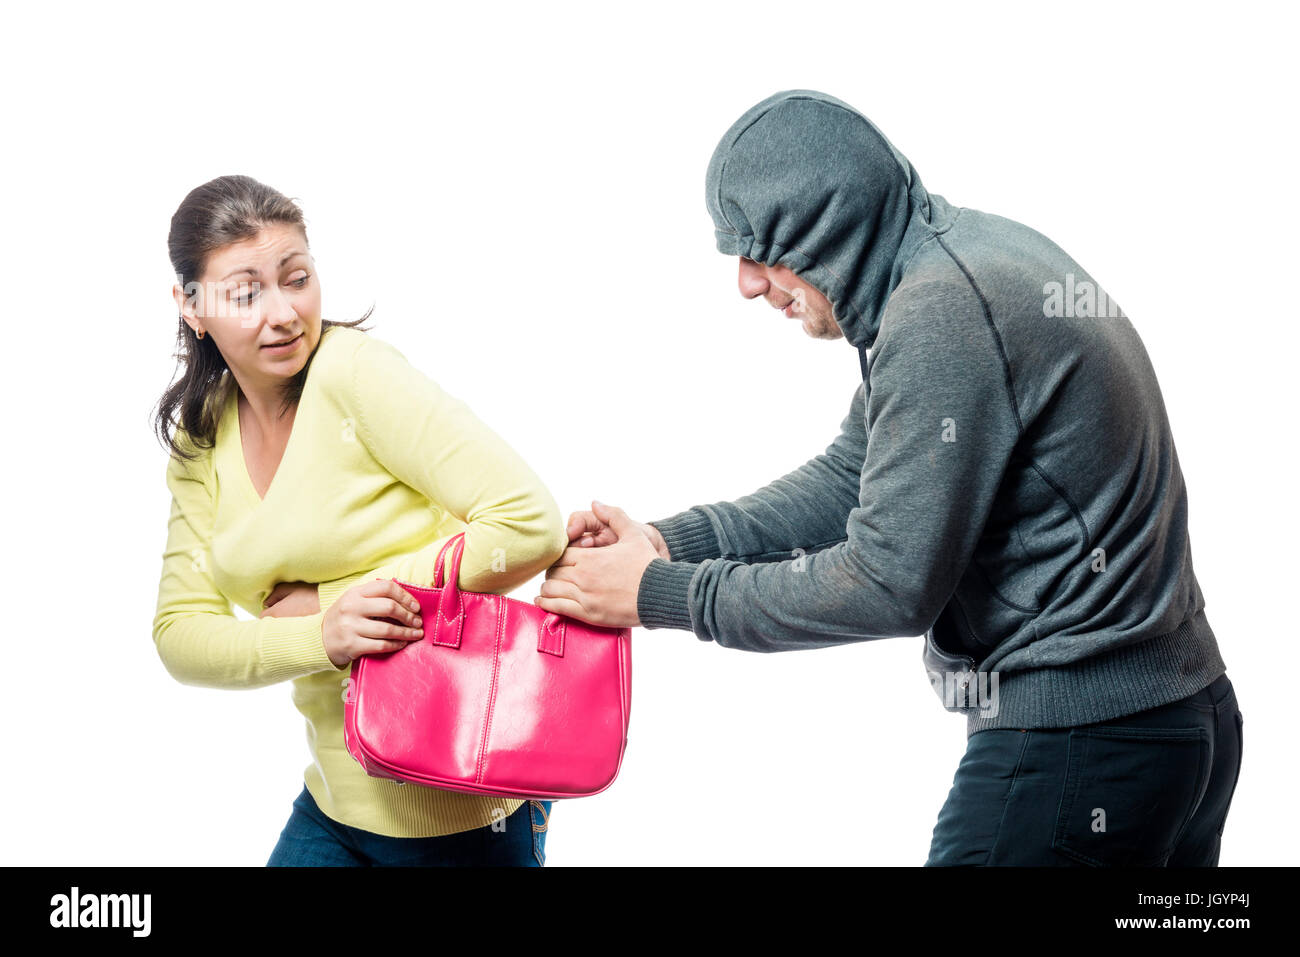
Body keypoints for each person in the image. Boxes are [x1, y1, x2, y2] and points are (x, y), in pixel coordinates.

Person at [535, 90, 1244, 866]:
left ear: (829, 225)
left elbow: (887, 582)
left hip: (1082, 750)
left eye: (757, 246)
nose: (743, 281)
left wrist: (655, 595)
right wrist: (667, 542)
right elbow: (854, 478)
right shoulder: (955, 262)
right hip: (1173, 722)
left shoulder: (944, 312)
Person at [152, 175, 566, 866]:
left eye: (297, 278)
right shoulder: (203, 433)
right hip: (335, 800)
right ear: (192, 306)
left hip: (459, 803)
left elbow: (528, 523)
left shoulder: (354, 375)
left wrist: (336, 601)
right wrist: (324, 635)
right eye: (246, 292)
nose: (283, 313)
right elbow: (179, 634)